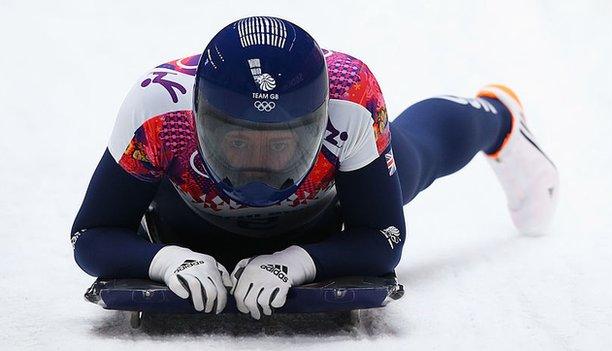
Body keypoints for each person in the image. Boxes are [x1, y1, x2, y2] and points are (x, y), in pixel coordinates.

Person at [71, 16, 559, 320]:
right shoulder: (158, 109)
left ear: (320, 122)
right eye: (238, 142)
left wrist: (300, 262)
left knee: (417, 154)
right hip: (187, 212)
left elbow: (383, 238)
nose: (257, 171)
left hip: (325, 206)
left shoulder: (351, 99)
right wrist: (167, 260)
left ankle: (499, 114)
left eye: (278, 146)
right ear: (197, 118)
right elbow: (90, 233)